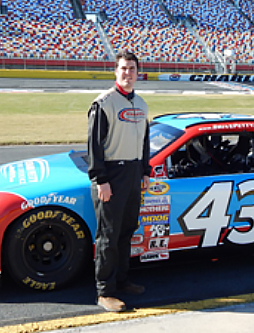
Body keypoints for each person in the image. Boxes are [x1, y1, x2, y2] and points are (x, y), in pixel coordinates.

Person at [87, 51, 151, 312]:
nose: (128, 73)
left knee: (127, 230)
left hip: (134, 174)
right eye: (123, 68)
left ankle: (122, 279)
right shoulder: (104, 103)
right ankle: (105, 291)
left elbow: (145, 142)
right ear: (115, 71)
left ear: (138, 72)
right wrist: (100, 179)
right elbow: (94, 146)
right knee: (108, 235)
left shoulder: (142, 104)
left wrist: (145, 171)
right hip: (111, 175)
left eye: (132, 69)